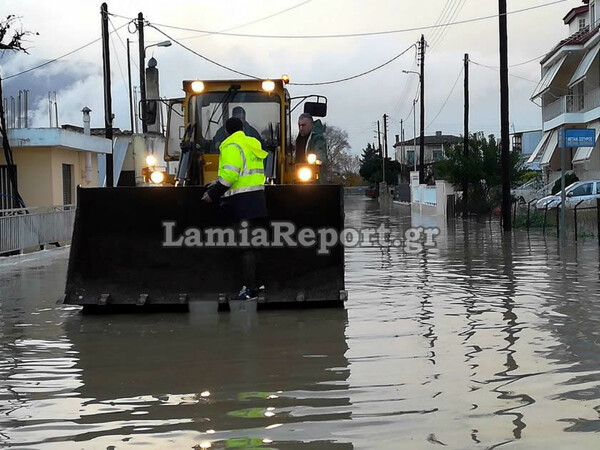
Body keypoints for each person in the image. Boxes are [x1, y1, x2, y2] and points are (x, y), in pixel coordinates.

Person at [202, 117, 268, 301]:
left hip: (241, 203)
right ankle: (260, 285)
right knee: (256, 245)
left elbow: (231, 174)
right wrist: (217, 182)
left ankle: (250, 290)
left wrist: (212, 193)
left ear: (226, 130)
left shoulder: (231, 145)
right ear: (243, 128)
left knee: (245, 247)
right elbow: (245, 173)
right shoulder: (252, 144)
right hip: (257, 200)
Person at [296, 113, 328, 182]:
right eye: (299, 125)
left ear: (312, 125)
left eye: (304, 125)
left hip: (314, 180)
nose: (301, 128)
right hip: (297, 177)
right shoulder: (298, 139)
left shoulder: (318, 138)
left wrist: (318, 160)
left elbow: (320, 152)